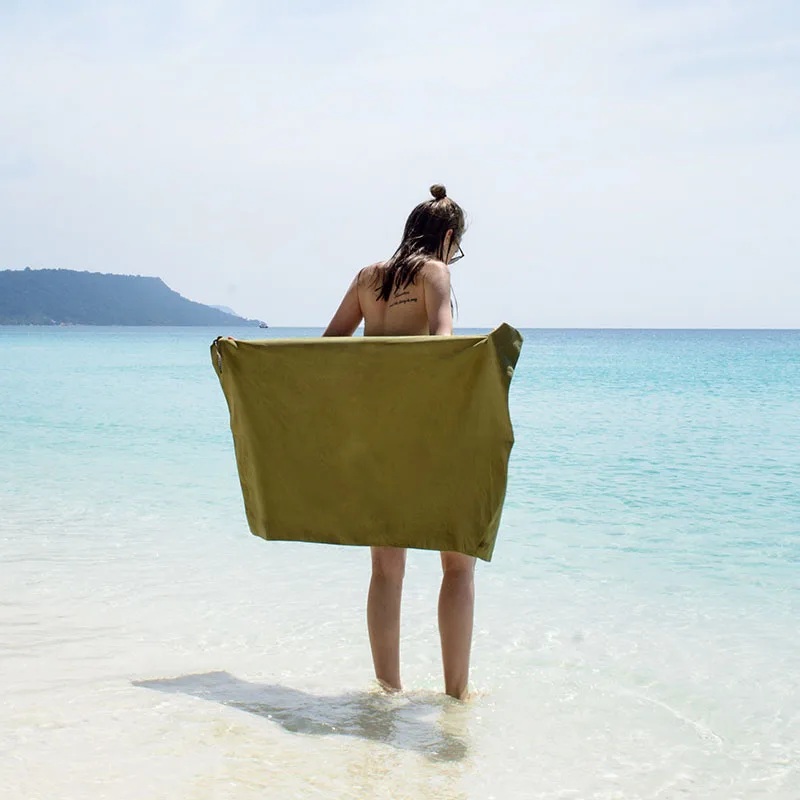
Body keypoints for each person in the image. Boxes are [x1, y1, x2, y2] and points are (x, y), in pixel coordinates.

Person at [322, 184, 473, 700]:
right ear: (447, 237)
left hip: (375, 437)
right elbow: (442, 350)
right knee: (458, 564)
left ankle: (388, 692)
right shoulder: (436, 273)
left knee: (386, 568)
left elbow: (328, 348)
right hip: (428, 434)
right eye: (457, 247)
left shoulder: (368, 277)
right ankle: (456, 697)